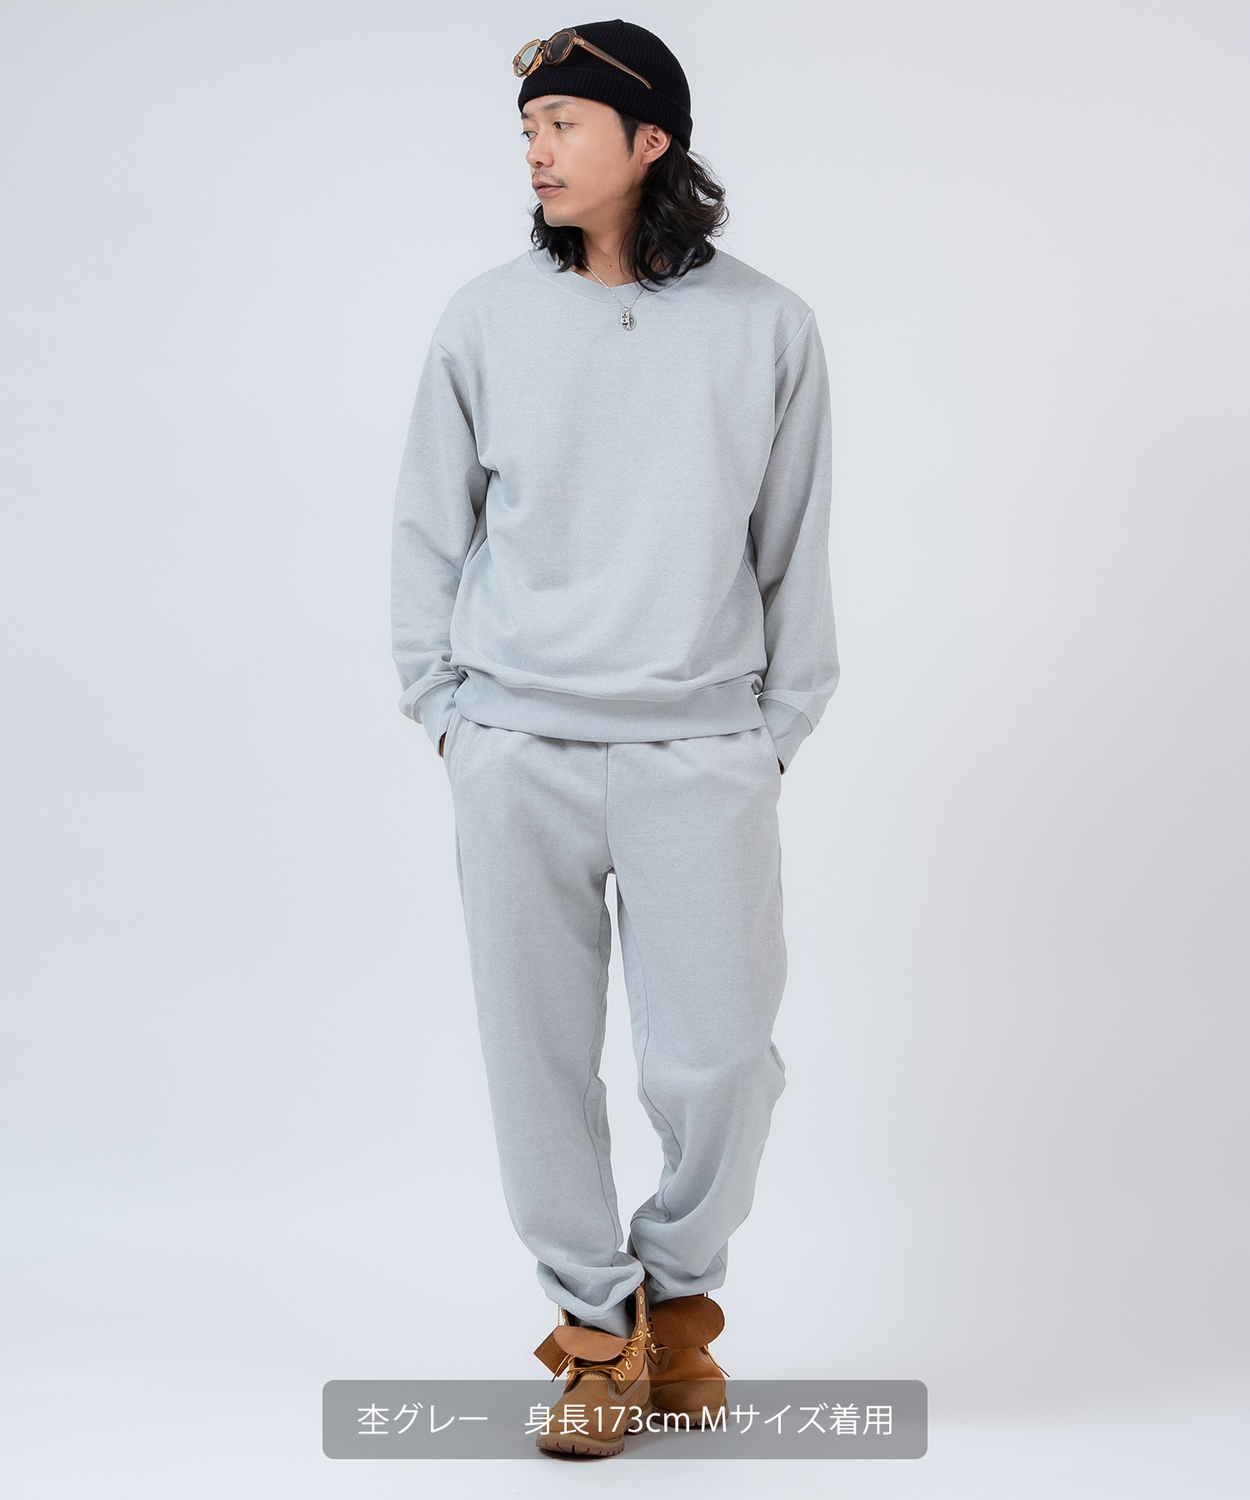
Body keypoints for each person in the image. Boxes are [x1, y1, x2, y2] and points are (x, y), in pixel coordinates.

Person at [390, 18, 839, 1458]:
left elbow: (794, 547)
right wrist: (446, 712)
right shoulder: (482, 319)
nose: (533, 149)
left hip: (699, 751)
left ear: (652, 141)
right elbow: (428, 526)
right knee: (534, 1059)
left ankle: (680, 1297)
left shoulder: (768, 326)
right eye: (527, 127)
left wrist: (772, 732)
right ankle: (595, 1337)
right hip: (514, 744)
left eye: (563, 123)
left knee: (720, 1062)